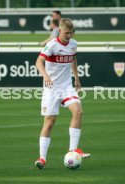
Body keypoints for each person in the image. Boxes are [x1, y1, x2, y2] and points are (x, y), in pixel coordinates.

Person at [35, 18, 91, 170]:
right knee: (49, 123)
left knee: (78, 112)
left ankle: (72, 150)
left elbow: (73, 59)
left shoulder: (73, 44)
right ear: (59, 31)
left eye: (71, 33)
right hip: (51, 88)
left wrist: (77, 78)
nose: (69, 36)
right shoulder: (52, 45)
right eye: (66, 33)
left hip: (66, 87)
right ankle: (42, 158)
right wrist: (46, 76)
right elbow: (38, 62)